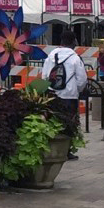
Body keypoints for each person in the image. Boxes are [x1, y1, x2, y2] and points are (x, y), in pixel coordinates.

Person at [41, 29, 87, 160]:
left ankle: (50, 147)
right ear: (74, 42)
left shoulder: (51, 56)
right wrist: (76, 90)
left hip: (52, 94)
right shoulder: (75, 58)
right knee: (68, 123)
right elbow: (82, 79)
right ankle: (66, 151)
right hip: (69, 95)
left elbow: (44, 75)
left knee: (52, 121)